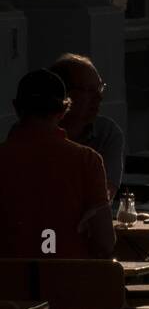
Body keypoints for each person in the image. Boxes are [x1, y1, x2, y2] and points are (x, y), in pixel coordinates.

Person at [0, 69, 114, 259]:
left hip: (7, 284)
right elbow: (105, 242)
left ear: (16, 107)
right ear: (63, 111)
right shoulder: (86, 160)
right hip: (68, 282)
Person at [47, 53, 125, 200]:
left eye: (100, 88)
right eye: (89, 90)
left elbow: (104, 196)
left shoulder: (107, 133)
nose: (99, 97)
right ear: (64, 94)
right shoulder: (35, 132)